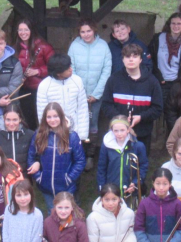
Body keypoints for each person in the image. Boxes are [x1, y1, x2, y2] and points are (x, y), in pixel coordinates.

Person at [101, 43, 164, 152]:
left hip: (142, 132)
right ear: (123, 59)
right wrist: (121, 119)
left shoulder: (152, 81)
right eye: (127, 57)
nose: (131, 60)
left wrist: (141, 117)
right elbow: (106, 105)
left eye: (135, 56)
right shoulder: (114, 80)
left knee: (140, 164)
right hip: (118, 132)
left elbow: (157, 108)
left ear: (140, 60)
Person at [68, 18, 112, 170]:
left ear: (94, 31)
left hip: (95, 95)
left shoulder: (103, 46)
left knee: (92, 125)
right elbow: (70, 68)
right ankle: (77, 155)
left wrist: (96, 94)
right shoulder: (74, 46)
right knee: (76, 124)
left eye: (88, 31)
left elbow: (106, 71)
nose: (86, 34)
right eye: (82, 32)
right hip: (78, 95)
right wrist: (79, 93)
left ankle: (90, 155)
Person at [28, 103, 86, 209]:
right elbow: (31, 157)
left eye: (55, 116)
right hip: (46, 186)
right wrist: (39, 177)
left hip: (66, 187)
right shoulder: (39, 135)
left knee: (67, 215)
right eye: (49, 117)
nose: (52, 120)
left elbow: (80, 161)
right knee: (52, 214)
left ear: (61, 117)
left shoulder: (72, 136)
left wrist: (69, 178)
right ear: (45, 118)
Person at [36, 53, 89, 144]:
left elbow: (82, 108)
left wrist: (81, 136)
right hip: (54, 134)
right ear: (58, 73)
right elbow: (42, 113)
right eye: (67, 68)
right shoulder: (44, 86)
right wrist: (48, 135)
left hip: (74, 132)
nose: (71, 69)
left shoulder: (77, 81)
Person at [14, 19, 55, 129]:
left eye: (26, 30)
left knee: (43, 117)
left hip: (40, 88)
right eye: (20, 30)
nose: (23, 33)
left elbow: (54, 67)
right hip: (24, 88)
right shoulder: (17, 47)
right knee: (28, 118)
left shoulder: (44, 47)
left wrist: (38, 71)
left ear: (31, 30)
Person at [97, 116, 149, 203]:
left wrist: (136, 183)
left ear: (128, 130)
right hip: (111, 190)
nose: (119, 134)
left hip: (130, 190)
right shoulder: (106, 146)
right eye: (116, 131)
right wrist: (103, 188)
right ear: (111, 131)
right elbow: (101, 168)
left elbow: (143, 166)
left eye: (122, 130)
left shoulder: (138, 146)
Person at [148, 13, 181, 111]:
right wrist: (157, 75)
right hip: (160, 81)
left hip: (176, 83)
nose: (176, 26)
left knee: (172, 111)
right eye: (173, 23)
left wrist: (180, 81)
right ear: (169, 25)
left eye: (179, 24)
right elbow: (149, 58)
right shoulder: (158, 38)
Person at [0, 104, 35, 176]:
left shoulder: (30, 135)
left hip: (24, 180)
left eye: (15, 120)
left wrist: (37, 163)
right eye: (8, 120)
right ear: (3, 119)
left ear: (20, 119)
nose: (11, 123)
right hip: (3, 179)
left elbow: (37, 155)